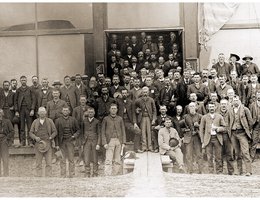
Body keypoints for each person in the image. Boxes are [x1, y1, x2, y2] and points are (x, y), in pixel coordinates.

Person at [227, 96, 253, 176]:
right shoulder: (230, 110)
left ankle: (248, 171)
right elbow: (228, 121)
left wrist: (247, 131)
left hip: (242, 133)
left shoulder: (245, 109)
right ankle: (239, 171)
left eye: (237, 100)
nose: (235, 102)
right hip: (233, 133)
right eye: (234, 100)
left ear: (240, 101)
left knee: (245, 152)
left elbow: (250, 122)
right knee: (237, 153)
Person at [29, 107, 57, 177]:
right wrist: (35, 138)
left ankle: (48, 177)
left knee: (49, 163)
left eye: (43, 112)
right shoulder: (35, 122)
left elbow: (55, 131)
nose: (42, 113)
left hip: (48, 144)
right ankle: (39, 177)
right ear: (38, 113)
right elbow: (30, 133)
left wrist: (51, 137)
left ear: (46, 113)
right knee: (38, 163)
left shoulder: (50, 121)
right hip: (38, 144)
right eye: (40, 112)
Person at [200, 102, 226, 174]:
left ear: (215, 107)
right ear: (208, 108)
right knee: (209, 156)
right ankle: (211, 172)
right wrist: (203, 141)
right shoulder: (204, 117)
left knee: (218, 156)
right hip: (208, 139)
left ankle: (219, 171)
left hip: (217, 138)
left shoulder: (219, 116)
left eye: (213, 107)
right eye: (210, 107)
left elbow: (224, 127)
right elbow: (201, 130)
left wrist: (217, 128)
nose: (211, 108)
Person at [55, 106, 80, 178]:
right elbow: (56, 133)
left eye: (67, 110)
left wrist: (74, 136)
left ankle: (71, 174)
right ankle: (63, 175)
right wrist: (56, 144)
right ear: (62, 111)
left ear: (69, 112)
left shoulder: (73, 120)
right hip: (61, 142)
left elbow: (78, 130)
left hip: (70, 142)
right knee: (62, 159)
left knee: (71, 159)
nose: (65, 112)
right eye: (64, 110)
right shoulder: (58, 121)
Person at [101, 104, 126, 176]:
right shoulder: (106, 119)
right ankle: (108, 175)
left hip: (118, 140)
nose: (113, 110)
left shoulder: (120, 119)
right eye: (112, 108)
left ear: (117, 110)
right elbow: (102, 131)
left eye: (115, 108)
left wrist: (123, 142)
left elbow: (123, 130)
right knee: (108, 159)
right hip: (110, 141)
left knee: (117, 159)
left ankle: (116, 174)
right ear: (109, 110)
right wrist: (104, 142)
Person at [15, 75, 36, 146]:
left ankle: (30, 142)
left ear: (26, 81)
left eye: (24, 80)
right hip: (21, 110)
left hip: (28, 109)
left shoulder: (30, 89)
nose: (23, 81)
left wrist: (32, 109)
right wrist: (16, 111)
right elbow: (15, 101)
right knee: (22, 126)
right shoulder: (18, 90)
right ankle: (23, 142)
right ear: (20, 81)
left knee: (30, 126)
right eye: (22, 80)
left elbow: (34, 100)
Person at [135, 87, 157, 152]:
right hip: (142, 118)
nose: (145, 93)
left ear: (148, 92)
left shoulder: (151, 100)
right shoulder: (138, 100)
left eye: (146, 92)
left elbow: (154, 110)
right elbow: (135, 106)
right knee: (143, 132)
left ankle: (150, 147)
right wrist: (137, 110)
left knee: (149, 132)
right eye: (144, 92)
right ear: (142, 93)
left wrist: (153, 119)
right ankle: (144, 147)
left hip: (149, 118)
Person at [183, 102, 203, 174]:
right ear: (188, 108)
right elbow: (181, 127)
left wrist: (198, 125)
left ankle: (200, 170)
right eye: (190, 106)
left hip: (197, 137)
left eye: (193, 106)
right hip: (188, 137)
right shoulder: (185, 117)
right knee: (188, 154)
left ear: (196, 107)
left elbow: (204, 127)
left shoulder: (200, 116)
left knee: (199, 154)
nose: (192, 108)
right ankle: (189, 170)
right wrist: (185, 130)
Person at [82, 107, 101, 177]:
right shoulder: (84, 121)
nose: (90, 113)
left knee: (95, 158)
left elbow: (99, 133)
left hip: (94, 142)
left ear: (94, 113)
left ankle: (95, 173)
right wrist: (82, 141)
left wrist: (98, 143)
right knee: (86, 157)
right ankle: (87, 173)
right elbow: (82, 132)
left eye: (92, 112)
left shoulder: (97, 121)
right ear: (87, 113)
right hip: (86, 141)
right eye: (89, 112)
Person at [218, 99, 234, 175]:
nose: (223, 105)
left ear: (228, 105)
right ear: (220, 105)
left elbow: (231, 125)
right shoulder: (217, 114)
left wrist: (223, 129)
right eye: (222, 104)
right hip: (219, 136)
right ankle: (220, 171)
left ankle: (231, 171)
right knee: (219, 154)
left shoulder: (231, 113)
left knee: (229, 154)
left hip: (228, 136)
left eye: (225, 104)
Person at [0, 81, 15, 145]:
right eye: (5, 85)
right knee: (2, 124)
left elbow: (15, 102)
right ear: (3, 86)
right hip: (2, 110)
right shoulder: (0, 93)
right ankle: (3, 140)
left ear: (9, 86)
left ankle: (11, 141)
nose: (6, 86)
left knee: (10, 125)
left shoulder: (12, 93)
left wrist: (13, 107)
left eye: (7, 85)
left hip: (9, 111)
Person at [0, 109, 14, 176]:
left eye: (0, 113)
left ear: (2, 114)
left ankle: (6, 174)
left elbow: (12, 131)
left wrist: (7, 138)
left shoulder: (7, 121)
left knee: (5, 158)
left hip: (4, 140)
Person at [249, 91, 260, 161]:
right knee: (254, 141)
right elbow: (250, 116)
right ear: (256, 96)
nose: (259, 96)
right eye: (258, 95)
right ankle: (251, 157)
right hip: (256, 125)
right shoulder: (252, 105)